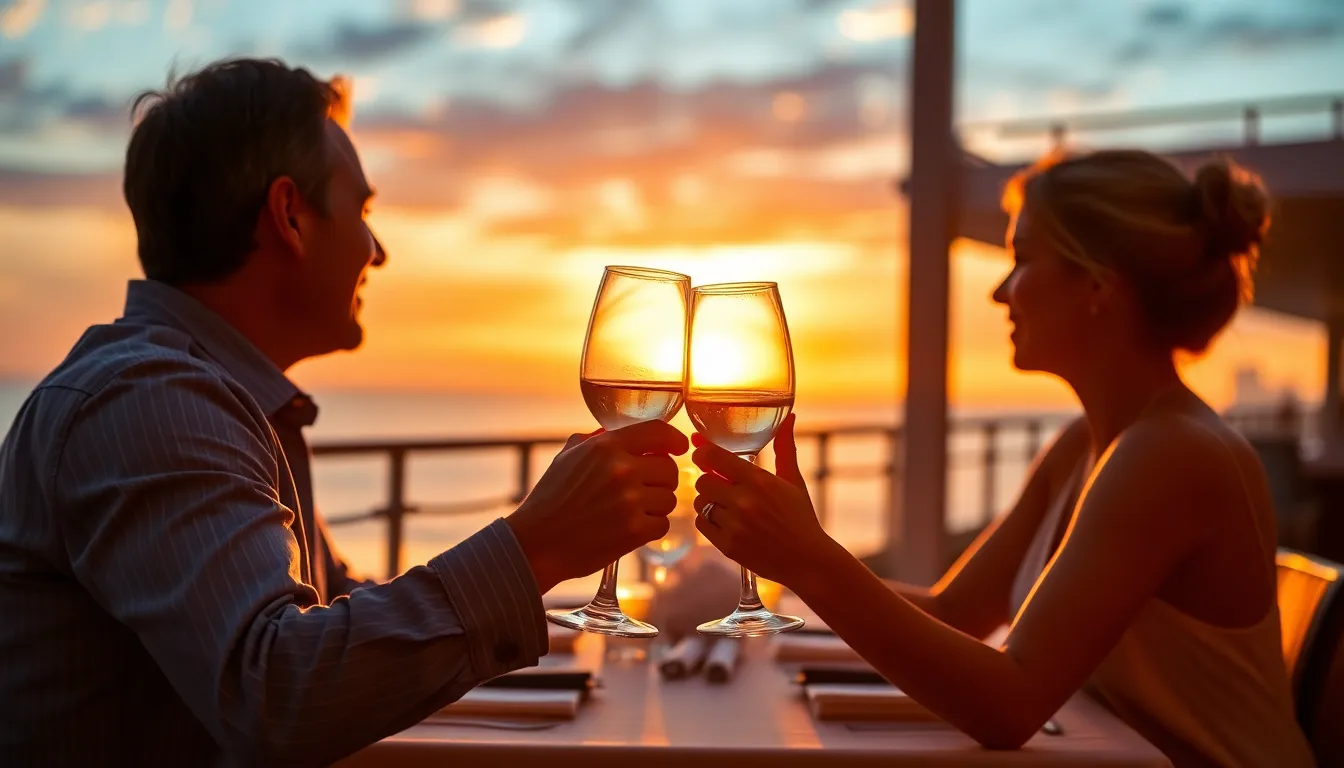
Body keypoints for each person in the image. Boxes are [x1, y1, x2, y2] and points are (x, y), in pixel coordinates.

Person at [0, 58, 687, 765]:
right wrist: (534, 547)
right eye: (362, 210)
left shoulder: (212, 399)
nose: (377, 250)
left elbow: (324, 615)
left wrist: (534, 587)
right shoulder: (151, 402)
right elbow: (278, 691)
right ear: (290, 216)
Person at [691, 149, 1316, 766]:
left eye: (1021, 259)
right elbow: (954, 613)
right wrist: (779, 583)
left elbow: (1010, 704)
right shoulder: (1089, 443)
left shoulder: (1173, 455)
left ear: (1098, 283)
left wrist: (810, 560)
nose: (999, 290)